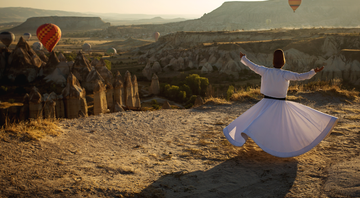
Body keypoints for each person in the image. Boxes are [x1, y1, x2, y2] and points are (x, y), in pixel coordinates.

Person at [223, 49, 338, 158]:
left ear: (273, 61)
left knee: (256, 122)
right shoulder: (285, 74)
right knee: (281, 128)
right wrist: (313, 72)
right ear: (283, 62)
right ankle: (275, 148)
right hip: (280, 105)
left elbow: (252, 66)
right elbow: (300, 76)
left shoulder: (265, 71)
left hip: (265, 103)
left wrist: (243, 58)